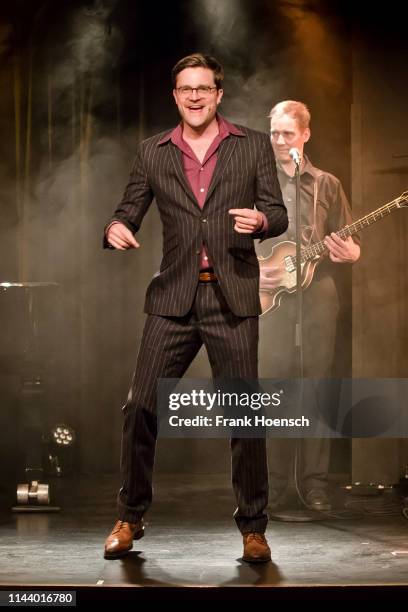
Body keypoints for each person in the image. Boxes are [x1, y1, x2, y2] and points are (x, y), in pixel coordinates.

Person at [103, 54, 288, 562]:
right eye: (186, 88)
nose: (195, 96)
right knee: (140, 405)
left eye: (204, 88)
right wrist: (116, 229)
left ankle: (253, 528)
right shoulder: (154, 152)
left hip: (231, 296)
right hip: (174, 298)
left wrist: (263, 222)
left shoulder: (251, 146)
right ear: (175, 95)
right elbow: (127, 212)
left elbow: (277, 212)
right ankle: (130, 516)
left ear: (219, 94)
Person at [258, 100, 360, 511]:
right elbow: (229, 240)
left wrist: (352, 253)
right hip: (271, 298)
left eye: (287, 134)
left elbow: (347, 238)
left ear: (305, 134)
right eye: (274, 134)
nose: (280, 142)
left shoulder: (326, 184)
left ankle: (315, 485)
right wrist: (252, 270)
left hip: (318, 296)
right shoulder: (257, 182)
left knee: (316, 389)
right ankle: (275, 483)